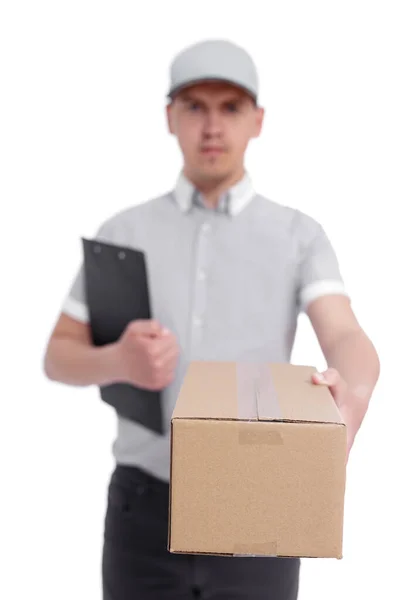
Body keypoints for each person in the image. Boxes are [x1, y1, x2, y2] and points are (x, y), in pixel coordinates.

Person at [43, 39, 380, 600]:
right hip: (143, 509)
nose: (212, 126)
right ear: (170, 118)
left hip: (259, 504)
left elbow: (342, 331)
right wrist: (114, 359)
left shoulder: (299, 236)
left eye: (230, 107)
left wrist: (357, 387)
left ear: (258, 121)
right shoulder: (122, 232)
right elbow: (57, 355)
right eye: (195, 106)